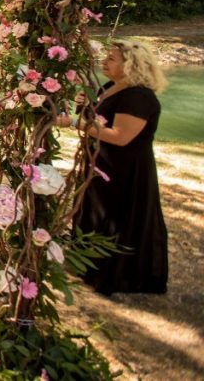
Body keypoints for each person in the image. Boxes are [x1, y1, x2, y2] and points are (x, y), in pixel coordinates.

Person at [70, 40, 168, 295]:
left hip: (124, 170)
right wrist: (83, 105)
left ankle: (114, 275)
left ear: (131, 65)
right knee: (95, 212)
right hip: (101, 163)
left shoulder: (138, 96)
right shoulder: (111, 86)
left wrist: (73, 123)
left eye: (111, 58)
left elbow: (119, 136)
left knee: (116, 218)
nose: (104, 61)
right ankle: (88, 266)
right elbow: (95, 120)